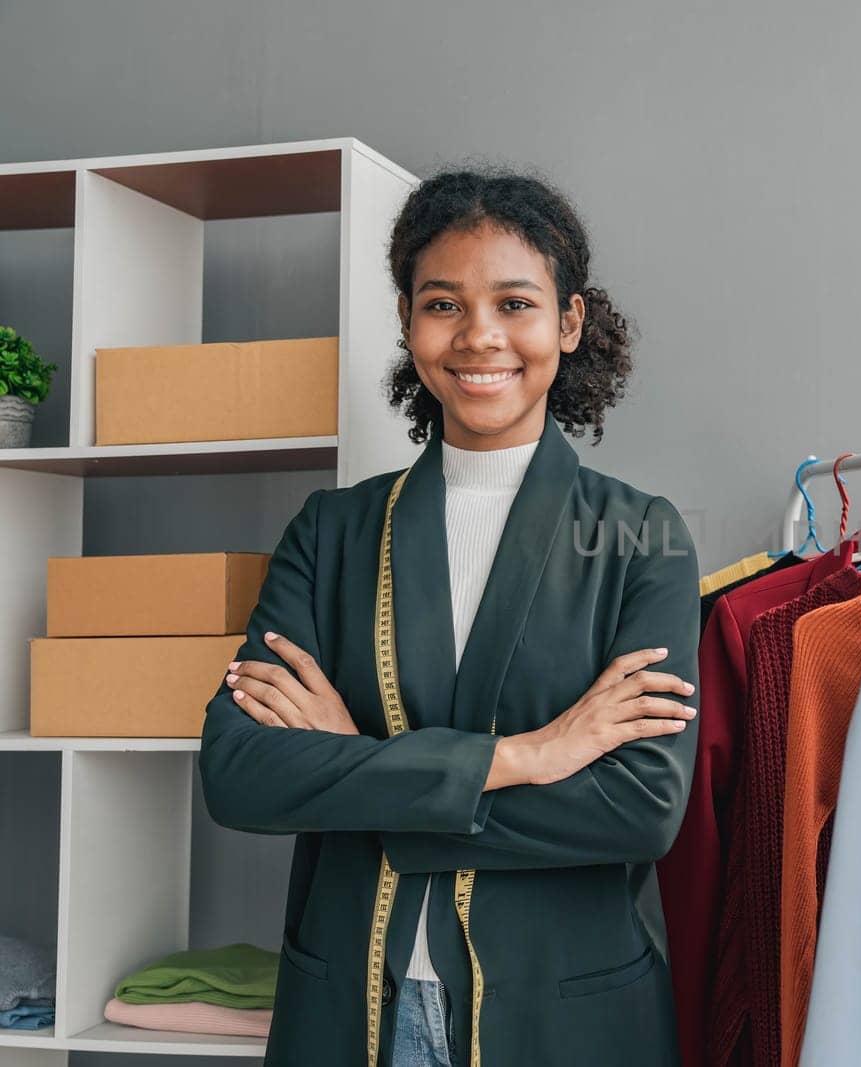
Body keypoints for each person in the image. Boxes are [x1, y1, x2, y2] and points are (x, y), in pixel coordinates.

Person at [198, 166, 701, 1067]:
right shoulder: (334, 531)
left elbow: (639, 806)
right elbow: (239, 773)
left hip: (565, 1020)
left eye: (515, 302)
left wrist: (357, 769)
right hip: (356, 1004)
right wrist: (527, 757)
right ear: (406, 320)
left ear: (569, 322)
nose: (479, 336)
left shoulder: (639, 535)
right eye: (443, 304)